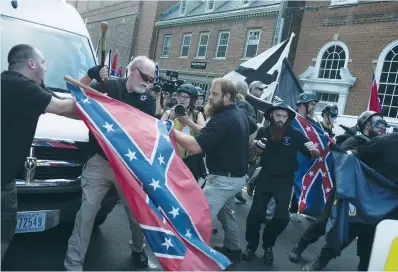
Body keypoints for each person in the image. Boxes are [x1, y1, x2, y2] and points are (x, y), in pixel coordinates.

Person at [64, 56, 157, 271]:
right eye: (145, 77)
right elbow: (76, 93)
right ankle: (73, 264)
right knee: (86, 213)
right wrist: (91, 74)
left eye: (152, 79)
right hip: (100, 160)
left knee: (136, 215)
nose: (148, 83)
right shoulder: (108, 86)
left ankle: (137, 247)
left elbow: (144, 133)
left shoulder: (148, 100)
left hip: (127, 166)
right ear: (132, 71)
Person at [1, 44, 84, 261]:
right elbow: (63, 108)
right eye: (43, 63)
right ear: (31, 63)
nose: (45, 68)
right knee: (2, 235)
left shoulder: (21, 85)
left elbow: (67, 105)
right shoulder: (19, 86)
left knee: (5, 232)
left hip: (6, 179)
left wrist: (94, 107)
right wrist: (103, 110)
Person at [172, 78, 257, 262]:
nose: (209, 97)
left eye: (214, 94)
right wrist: (188, 122)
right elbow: (251, 128)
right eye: (211, 92)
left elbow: (195, 146)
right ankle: (233, 249)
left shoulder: (224, 118)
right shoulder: (237, 112)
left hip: (223, 181)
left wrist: (168, 129)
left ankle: (191, 260)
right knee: (227, 214)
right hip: (235, 177)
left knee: (199, 218)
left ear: (227, 96)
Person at [288, 110, 387, 266]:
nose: (383, 127)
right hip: (343, 192)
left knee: (366, 236)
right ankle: (299, 247)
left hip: (365, 197)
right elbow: (336, 163)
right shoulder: (352, 141)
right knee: (324, 222)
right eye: (378, 123)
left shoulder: (382, 144)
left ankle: (362, 266)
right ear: (367, 124)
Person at [302, 132, 398, 271]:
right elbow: (358, 153)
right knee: (348, 230)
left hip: (393, 207)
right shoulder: (388, 140)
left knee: (378, 242)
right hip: (371, 199)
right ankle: (321, 259)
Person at [242, 101, 320, 265]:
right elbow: (251, 159)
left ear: (288, 118)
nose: (280, 119)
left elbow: (313, 153)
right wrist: (254, 151)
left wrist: (314, 150)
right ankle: (251, 245)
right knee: (256, 214)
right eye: (278, 115)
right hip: (266, 177)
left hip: (285, 180)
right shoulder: (263, 131)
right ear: (271, 115)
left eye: (284, 116)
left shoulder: (295, 134)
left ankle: (268, 244)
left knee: (282, 218)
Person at [161, 84, 206, 180]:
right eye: (180, 96)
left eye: (185, 97)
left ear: (192, 100)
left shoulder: (196, 114)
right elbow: (159, 133)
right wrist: (171, 118)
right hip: (171, 158)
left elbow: (204, 133)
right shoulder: (168, 113)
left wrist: (189, 122)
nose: (182, 99)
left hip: (189, 161)